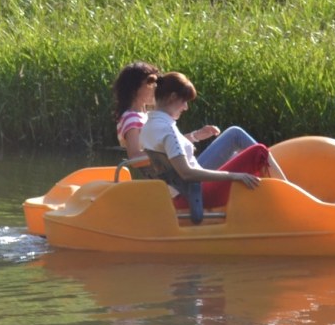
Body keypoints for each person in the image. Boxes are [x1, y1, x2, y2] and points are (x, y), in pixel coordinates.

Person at [138, 71, 276, 213]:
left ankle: (276, 191)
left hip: (180, 194)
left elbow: (168, 149)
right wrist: (234, 175)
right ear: (173, 97)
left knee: (235, 141)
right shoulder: (167, 130)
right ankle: (285, 194)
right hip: (197, 194)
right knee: (259, 150)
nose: (186, 107)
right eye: (184, 101)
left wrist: (195, 136)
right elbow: (186, 173)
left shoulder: (149, 126)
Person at [111, 61, 264, 168]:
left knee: (236, 153)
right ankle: (271, 165)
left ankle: (267, 169)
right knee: (235, 134)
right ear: (135, 88)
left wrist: (196, 136)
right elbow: (135, 157)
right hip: (183, 174)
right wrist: (166, 155)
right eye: (150, 84)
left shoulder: (146, 116)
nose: (155, 88)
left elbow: (170, 145)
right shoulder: (132, 118)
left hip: (181, 171)